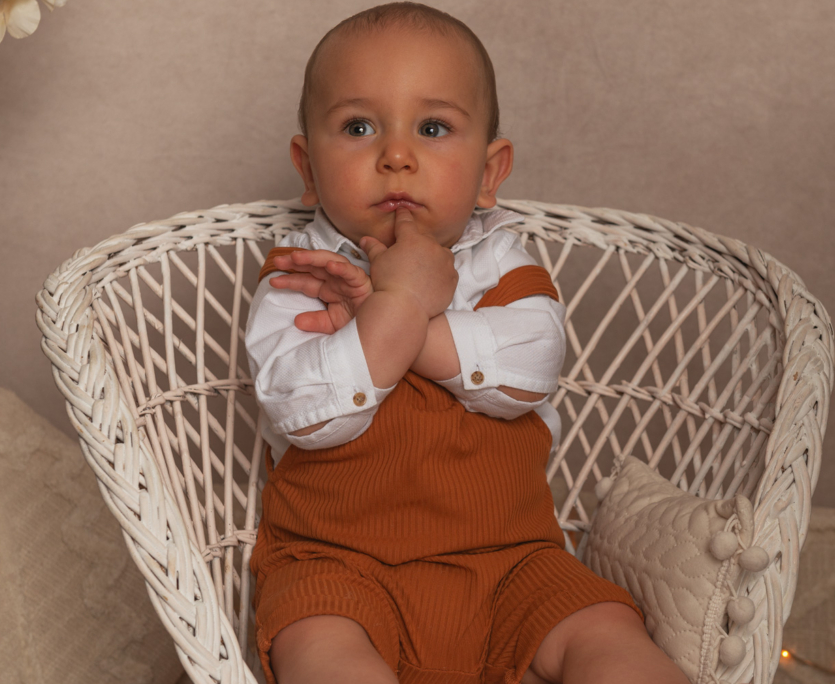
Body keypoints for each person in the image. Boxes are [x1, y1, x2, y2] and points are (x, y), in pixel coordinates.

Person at [246, 3, 688, 683]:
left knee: (607, 635)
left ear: (488, 172)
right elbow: (308, 413)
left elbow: (526, 372)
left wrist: (393, 316)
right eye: (358, 127)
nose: (396, 155)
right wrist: (401, 302)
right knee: (319, 647)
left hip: (512, 561)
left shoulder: (503, 265)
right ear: (307, 167)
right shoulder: (302, 277)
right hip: (336, 564)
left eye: (433, 127)